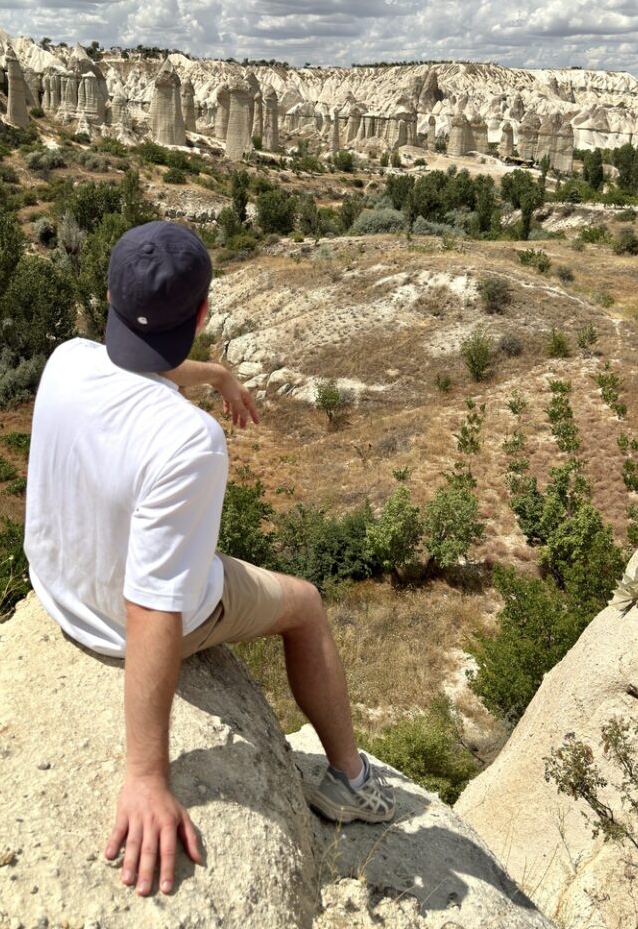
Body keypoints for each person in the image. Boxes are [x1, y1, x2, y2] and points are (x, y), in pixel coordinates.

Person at [24, 220, 394, 899]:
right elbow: (152, 608)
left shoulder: (67, 357)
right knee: (305, 604)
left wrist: (215, 373)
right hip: (115, 619)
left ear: (109, 292)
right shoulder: (189, 441)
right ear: (203, 312)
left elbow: (136, 365)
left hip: (58, 583)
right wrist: (146, 777)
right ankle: (351, 781)